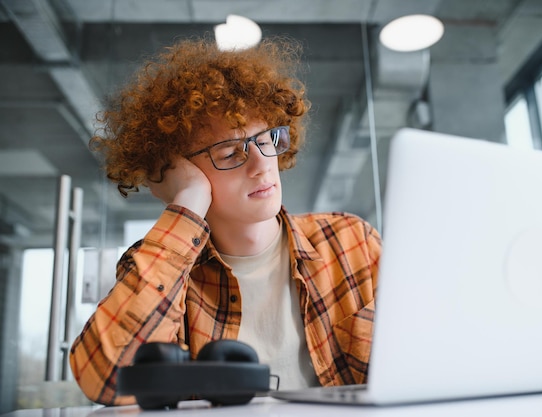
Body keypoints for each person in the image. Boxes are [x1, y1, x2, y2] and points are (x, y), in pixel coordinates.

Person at [69, 36, 381, 406]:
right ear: (174, 171)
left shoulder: (350, 241)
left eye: (267, 139)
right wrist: (187, 205)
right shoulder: (159, 270)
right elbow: (105, 378)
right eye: (232, 152)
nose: (262, 164)